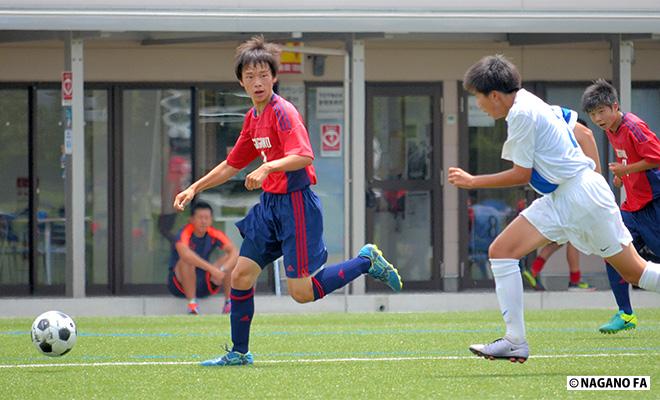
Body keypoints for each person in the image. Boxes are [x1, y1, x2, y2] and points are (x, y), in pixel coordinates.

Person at [173, 36, 402, 367]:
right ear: (241, 81)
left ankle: (366, 261)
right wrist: (194, 188)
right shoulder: (253, 118)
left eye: (263, 74)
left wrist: (268, 166)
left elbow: (304, 155)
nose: (257, 81)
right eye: (250, 76)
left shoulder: (283, 112)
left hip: (296, 205)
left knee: (301, 293)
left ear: (274, 77)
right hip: (270, 207)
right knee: (240, 276)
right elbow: (232, 165)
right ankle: (239, 351)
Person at [448, 54, 660, 363]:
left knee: (635, 272)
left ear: (494, 95)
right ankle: (515, 341)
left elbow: (521, 174)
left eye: (478, 99)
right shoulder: (530, 100)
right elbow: (584, 133)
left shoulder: (520, 114)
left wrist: (472, 181)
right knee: (502, 250)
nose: (479, 105)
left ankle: (515, 340)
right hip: (565, 196)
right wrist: (595, 181)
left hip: (578, 196)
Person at [582, 78, 660, 334]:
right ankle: (626, 314)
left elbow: (656, 158)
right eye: (593, 114)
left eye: (601, 111)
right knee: (612, 250)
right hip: (631, 206)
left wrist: (627, 169)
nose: (597, 118)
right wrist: (622, 175)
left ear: (615, 106)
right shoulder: (610, 129)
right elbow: (628, 158)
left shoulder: (634, 126)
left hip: (653, 202)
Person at [522, 116, 600, 292]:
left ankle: (534, 270)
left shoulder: (556, 143)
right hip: (573, 201)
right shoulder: (574, 147)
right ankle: (574, 281)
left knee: (558, 241)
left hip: (558, 198)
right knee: (573, 240)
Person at [167, 201, 238, 315]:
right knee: (186, 261)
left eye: (207, 218)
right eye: (200, 217)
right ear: (191, 219)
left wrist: (222, 270)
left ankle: (229, 303)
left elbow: (234, 252)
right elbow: (185, 255)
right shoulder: (184, 233)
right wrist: (212, 269)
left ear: (211, 220)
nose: (204, 221)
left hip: (205, 283)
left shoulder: (213, 233)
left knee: (231, 259)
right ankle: (192, 305)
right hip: (180, 285)